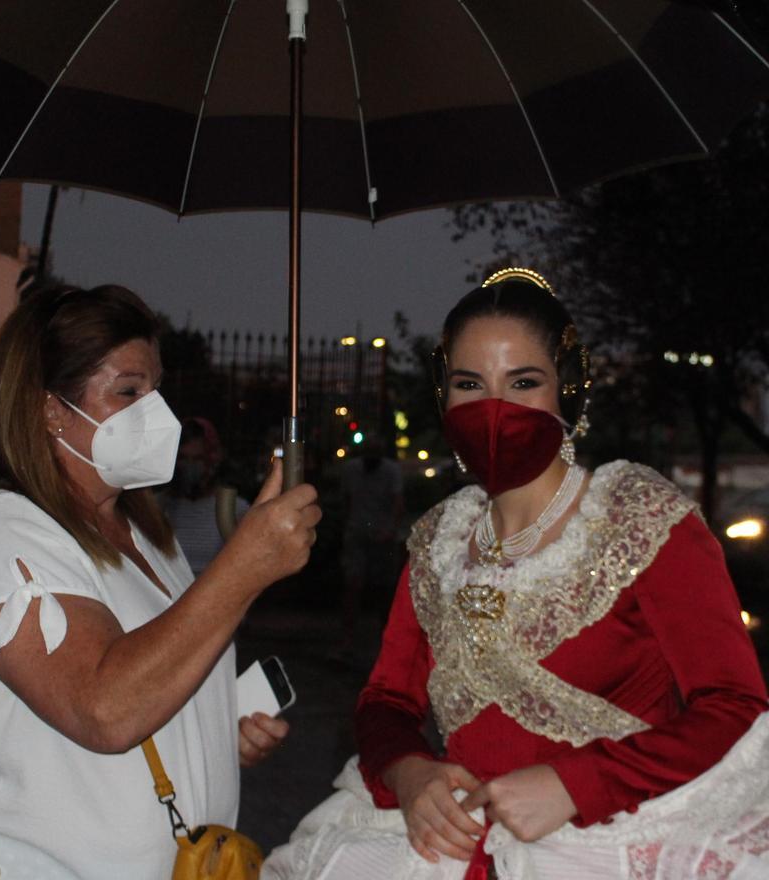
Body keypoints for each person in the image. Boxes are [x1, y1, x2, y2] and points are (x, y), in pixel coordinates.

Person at [262, 268, 769, 880]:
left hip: (609, 842)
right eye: (469, 384)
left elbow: (733, 702)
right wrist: (408, 771)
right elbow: (386, 700)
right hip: (447, 847)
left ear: (568, 392)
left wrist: (577, 785)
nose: (494, 408)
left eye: (523, 382)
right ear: (442, 398)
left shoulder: (642, 520)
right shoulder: (438, 542)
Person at [0, 285, 321, 880]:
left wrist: (212, 734)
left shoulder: (145, 532)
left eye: (155, 389)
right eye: (127, 391)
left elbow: (156, 670)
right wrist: (244, 568)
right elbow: (103, 707)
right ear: (51, 408)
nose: (154, 412)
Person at [338, 437, 404, 652]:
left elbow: (397, 502)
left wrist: (390, 530)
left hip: (381, 534)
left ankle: (385, 637)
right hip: (358, 532)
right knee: (353, 585)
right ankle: (348, 638)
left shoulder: (391, 471)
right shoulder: (351, 470)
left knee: (384, 589)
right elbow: (346, 500)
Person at [164, 416, 250, 577]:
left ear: (213, 459)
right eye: (184, 458)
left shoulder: (234, 510)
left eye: (197, 459)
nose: (190, 466)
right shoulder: (161, 508)